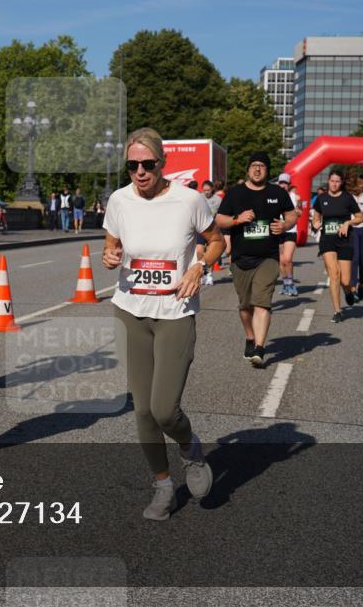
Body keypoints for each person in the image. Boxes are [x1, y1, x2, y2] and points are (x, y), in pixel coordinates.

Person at [101, 127, 224, 520]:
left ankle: (190, 449)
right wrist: (109, 255)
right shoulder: (119, 200)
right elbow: (111, 245)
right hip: (130, 311)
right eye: (132, 165)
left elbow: (217, 240)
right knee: (142, 411)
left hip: (175, 312)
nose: (140, 172)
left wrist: (199, 267)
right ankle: (163, 486)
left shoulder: (189, 200)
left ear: (162, 163)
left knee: (164, 410)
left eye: (148, 164)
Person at [215, 152, 296, 367]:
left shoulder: (277, 193)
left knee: (262, 302)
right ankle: (250, 337)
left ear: (267, 170)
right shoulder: (235, 193)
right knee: (245, 307)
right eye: (254, 165)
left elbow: (291, 215)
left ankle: (260, 348)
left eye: (262, 165)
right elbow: (219, 220)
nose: (257, 169)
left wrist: (285, 225)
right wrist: (237, 219)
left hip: (267, 258)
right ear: (248, 169)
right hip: (240, 259)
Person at [311, 172, 363, 323]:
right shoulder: (321, 198)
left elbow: (360, 217)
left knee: (345, 281)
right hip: (327, 240)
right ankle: (337, 311)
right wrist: (315, 224)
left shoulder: (347, 198)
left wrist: (348, 223)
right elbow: (316, 217)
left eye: (337, 181)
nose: (334, 184)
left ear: (341, 183)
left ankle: (348, 292)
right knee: (334, 275)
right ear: (328, 181)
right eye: (332, 181)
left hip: (345, 240)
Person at [276, 173, 301, 296]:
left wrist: (297, 212)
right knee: (281, 260)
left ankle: (291, 283)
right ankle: (285, 284)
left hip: (290, 230)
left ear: (289, 185)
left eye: (285, 183)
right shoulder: (274, 196)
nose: (283, 185)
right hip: (278, 230)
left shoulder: (295, 197)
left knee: (288, 259)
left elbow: (300, 212)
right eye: (281, 183)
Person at [197, 181, 222, 286]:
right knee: (199, 251)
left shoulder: (218, 200)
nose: (206, 192)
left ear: (212, 189)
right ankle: (202, 273)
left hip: (212, 229)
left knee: (209, 253)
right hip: (200, 228)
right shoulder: (198, 198)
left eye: (208, 190)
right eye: (204, 190)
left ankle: (209, 275)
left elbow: (220, 215)